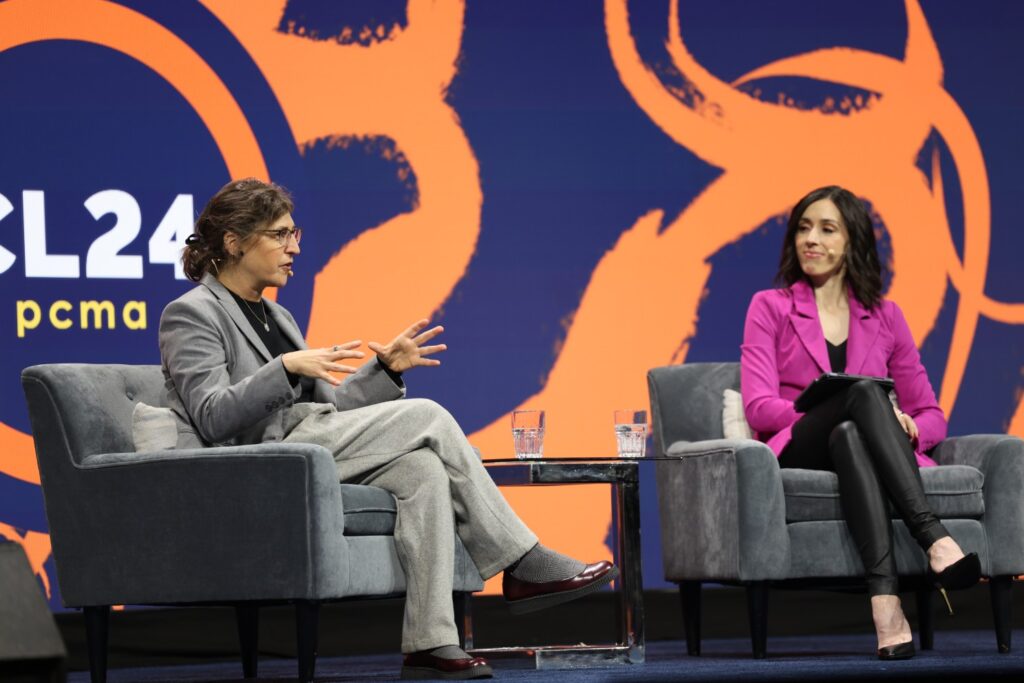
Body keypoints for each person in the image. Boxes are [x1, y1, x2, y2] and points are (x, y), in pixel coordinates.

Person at [159, 178, 617, 680]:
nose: (295, 248)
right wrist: (285, 367)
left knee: (422, 470)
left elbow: (328, 408)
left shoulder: (276, 314)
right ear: (234, 242)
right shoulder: (191, 313)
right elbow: (211, 415)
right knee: (429, 416)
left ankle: (430, 642)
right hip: (260, 461)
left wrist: (387, 371)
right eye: (280, 235)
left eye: (296, 233)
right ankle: (522, 560)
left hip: (309, 443)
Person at [739, 185, 980, 660]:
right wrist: (836, 401)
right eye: (803, 228)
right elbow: (759, 407)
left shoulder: (887, 316)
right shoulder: (770, 306)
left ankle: (886, 606)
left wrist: (909, 425)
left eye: (827, 229)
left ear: (853, 243)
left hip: (856, 444)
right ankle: (934, 538)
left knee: (851, 430)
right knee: (863, 392)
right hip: (798, 442)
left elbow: (932, 414)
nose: (811, 239)